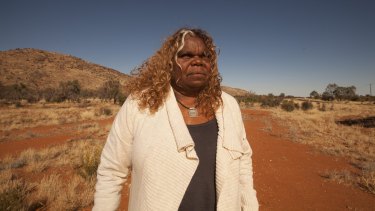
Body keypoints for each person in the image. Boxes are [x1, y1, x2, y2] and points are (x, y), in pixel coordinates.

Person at [93, 27, 259, 211]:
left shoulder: (228, 106)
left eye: (205, 56)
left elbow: (243, 160)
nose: (198, 61)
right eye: (186, 56)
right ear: (169, 64)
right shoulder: (139, 105)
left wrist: (250, 205)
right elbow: (111, 171)